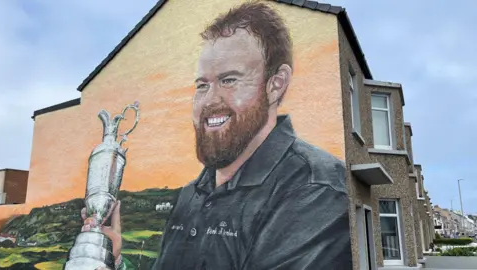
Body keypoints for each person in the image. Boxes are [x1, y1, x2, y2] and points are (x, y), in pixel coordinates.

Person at [84, 2, 353, 269]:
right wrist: (114, 260)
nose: (210, 100)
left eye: (229, 80)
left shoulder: (316, 191)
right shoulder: (192, 194)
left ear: (276, 84)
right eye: (203, 85)